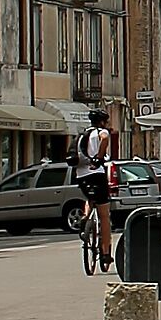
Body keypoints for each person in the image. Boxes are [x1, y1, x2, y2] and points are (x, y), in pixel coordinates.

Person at [71, 107, 119, 270]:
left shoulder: (83, 134)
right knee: (104, 215)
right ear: (102, 122)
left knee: (90, 199)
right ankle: (105, 253)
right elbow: (105, 138)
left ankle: (85, 217)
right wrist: (99, 157)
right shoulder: (100, 132)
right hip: (96, 174)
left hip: (80, 175)